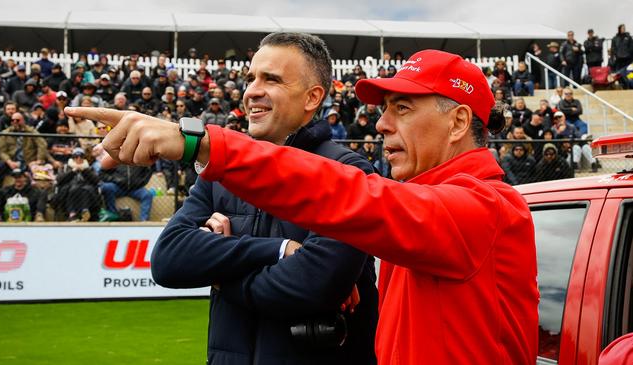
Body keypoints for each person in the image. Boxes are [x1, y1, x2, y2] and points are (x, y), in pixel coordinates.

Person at [67, 48, 539, 364]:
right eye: (384, 109)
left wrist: (202, 146)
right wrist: (281, 256)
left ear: (458, 122)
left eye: (402, 108)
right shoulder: (432, 206)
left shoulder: (484, 207)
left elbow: (350, 199)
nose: (381, 125)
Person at [155, 32, 377, 365]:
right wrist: (278, 250)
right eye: (250, 78)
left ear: (312, 98)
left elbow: (315, 285)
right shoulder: (221, 173)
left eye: (271, 79)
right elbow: (168, 259)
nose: (252, 91)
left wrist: (220, 276)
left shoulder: (348, 170)